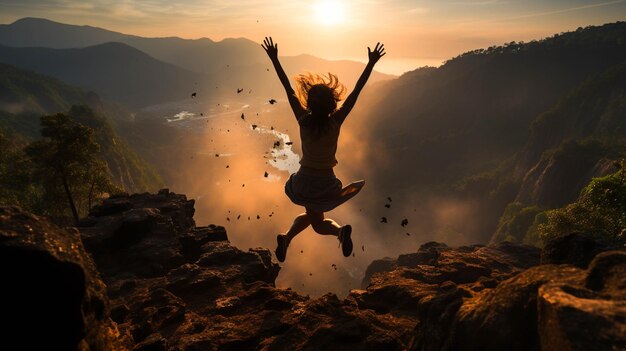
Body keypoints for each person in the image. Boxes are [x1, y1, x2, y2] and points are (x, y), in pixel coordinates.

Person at [262, 37, 385, 263]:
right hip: (326, 181)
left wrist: (274, 59)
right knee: (317, 222)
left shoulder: (303, 120)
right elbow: (356, 92)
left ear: (308, 103)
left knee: (315, 219)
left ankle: (287, 237)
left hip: (304, 180)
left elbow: (287, 88)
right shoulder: (335, 121)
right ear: (332, 104)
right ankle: (336, 233)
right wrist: (371, 64)